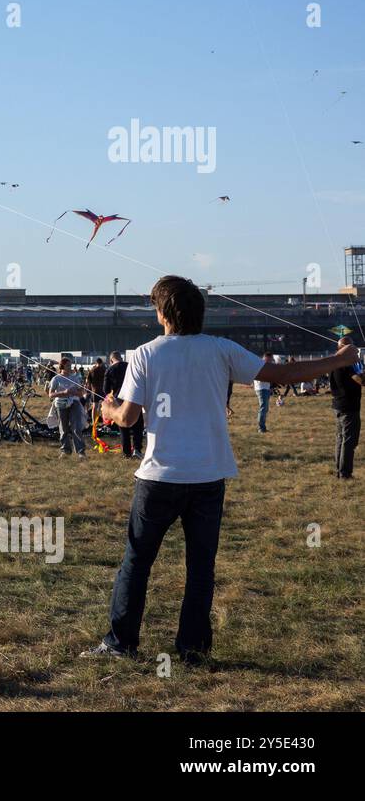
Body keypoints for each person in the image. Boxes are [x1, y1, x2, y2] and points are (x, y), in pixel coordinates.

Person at [89, 275, 359, 663]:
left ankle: (120, 644)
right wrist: (339, 360)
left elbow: (128, 419)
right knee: (201, 568)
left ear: (163, 313)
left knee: (137, 561)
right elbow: (282, 375)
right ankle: (192, 651)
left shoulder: (146, 354)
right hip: (208, 476)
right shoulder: (220, 350)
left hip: (159, 479)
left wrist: (108, 408)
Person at [328, 336, 362, 480]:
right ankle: (345, 473)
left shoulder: (334, 362)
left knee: (340, 439)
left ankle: (339, 470)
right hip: (349, 407)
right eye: (352, 347)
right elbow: (361, 380)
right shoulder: (346, 364)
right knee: (348, 441)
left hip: (338, 405)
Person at [103, 350, 143, 459]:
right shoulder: (130, 366)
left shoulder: (109, 370)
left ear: (111, 360)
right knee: (138, 425)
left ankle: (126, 453)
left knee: (123, 427)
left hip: (119, 400)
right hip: (134, 398)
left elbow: (105, 389)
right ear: (120, 357)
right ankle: (137, 449)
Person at [48, 358, 87, 457]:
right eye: (68, 366)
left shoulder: (75, 378)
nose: (70, 367)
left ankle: (81, 452)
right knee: (63, 428)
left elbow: (81, 393)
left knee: (76, 427)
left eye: (70, 365)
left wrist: (77, 392)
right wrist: (63, 393)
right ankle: (65, 450)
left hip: (74, 403)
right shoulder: (56, 379)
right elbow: (51, 394)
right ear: (62, 366)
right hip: (61, 405)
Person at [253, 354, 274, 433]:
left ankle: (263, 427)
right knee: (263, 408)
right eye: (269, 360)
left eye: (271, 360)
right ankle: (261, 428)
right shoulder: (259, 366)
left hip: (266, 388)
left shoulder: (267, 367)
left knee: (265, 408)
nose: (270, 362)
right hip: (261, 388)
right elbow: (258, 377)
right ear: (265, 358)